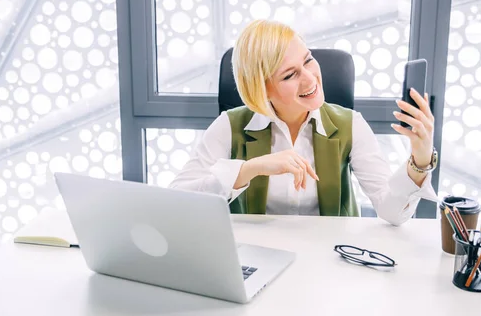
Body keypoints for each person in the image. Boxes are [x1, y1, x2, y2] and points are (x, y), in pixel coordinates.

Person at [169, 19, 438, 226]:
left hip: (329, 262)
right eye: (289, 75)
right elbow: (178, 202)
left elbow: (393, 213)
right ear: (262, 90)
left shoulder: (350, 125)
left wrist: (420, 159)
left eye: (308, 60)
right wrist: (250, 169)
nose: (310, 79)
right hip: (255, 259)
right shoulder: (229, 126)